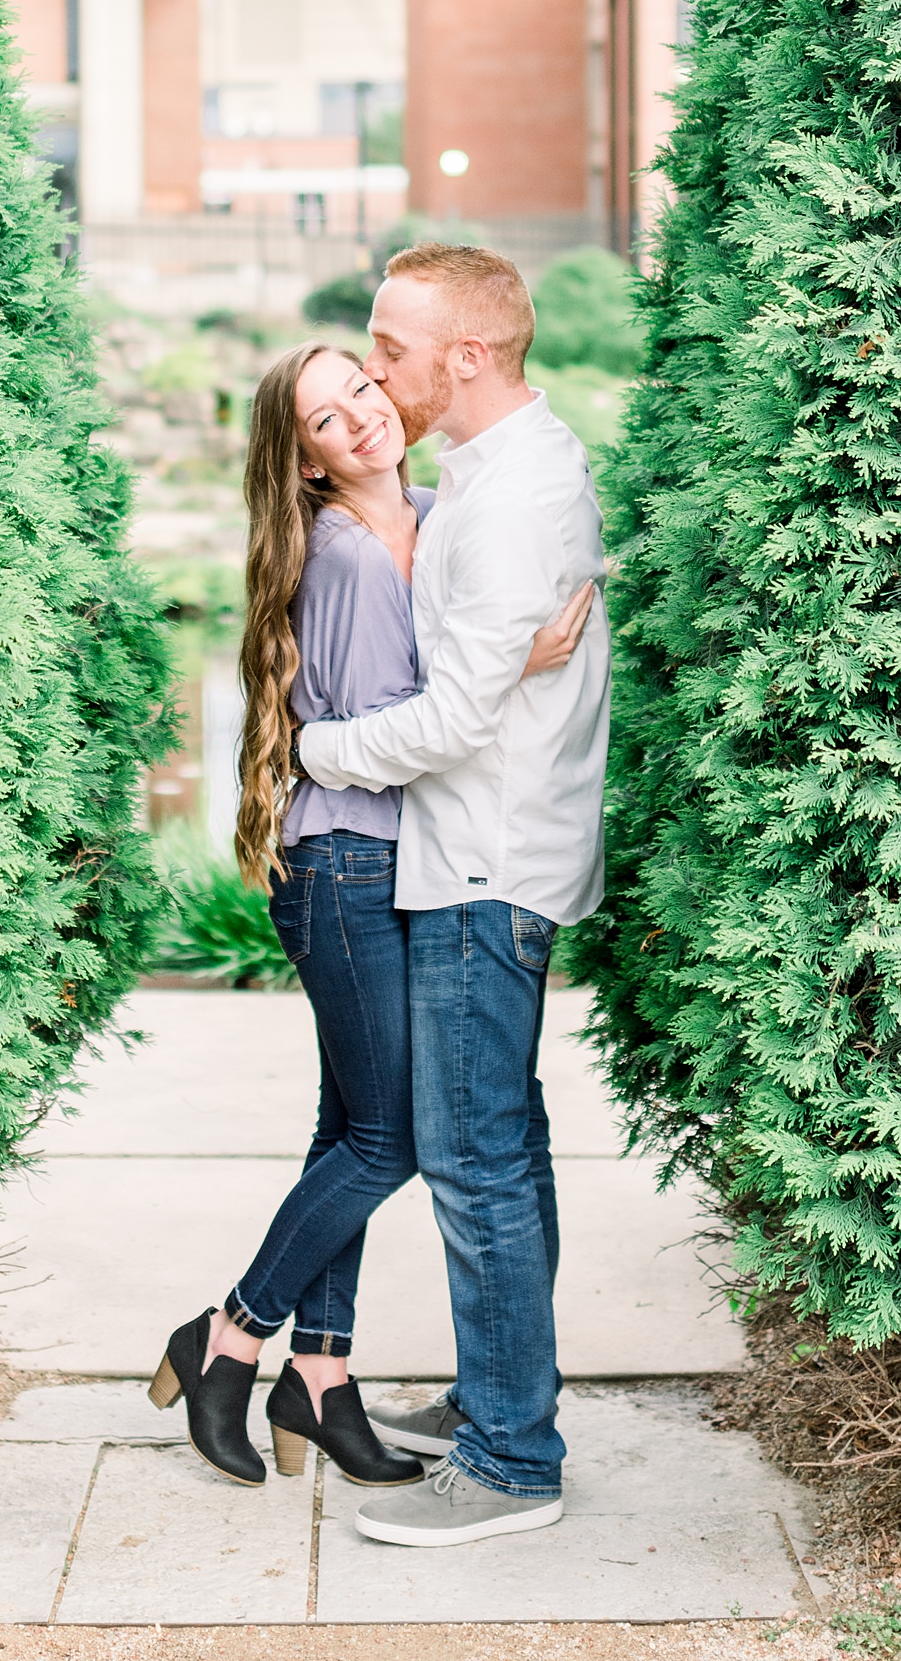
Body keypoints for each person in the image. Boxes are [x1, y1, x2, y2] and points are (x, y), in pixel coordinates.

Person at [148, 339, 592, 1493]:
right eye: (326, 421)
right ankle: (231, 1337)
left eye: (361, 389)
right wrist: (514, 666)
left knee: (347, 1126)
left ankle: (324, 1378)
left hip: (408, 863)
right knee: (390, 1135)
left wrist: (518, 658)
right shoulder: (345, 556)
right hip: (344, 864)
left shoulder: (443, 517)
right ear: (304, 465)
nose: (360, 418)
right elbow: (416, 720)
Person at [295, 243, 611, 1551]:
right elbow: (478, 668)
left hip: (484, 866)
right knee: (498, 1156)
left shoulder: (513, 496)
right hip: (480, 853)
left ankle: (508, 1464)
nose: (375, 368)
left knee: (474, 1166)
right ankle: (502, 1401)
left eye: (392, 347)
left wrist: (310, 751)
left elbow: (451, 720)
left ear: (464, 357)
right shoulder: (484, 472)